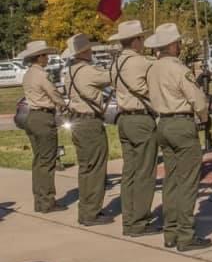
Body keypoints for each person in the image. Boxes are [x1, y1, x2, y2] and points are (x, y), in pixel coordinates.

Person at [145, 23, 212, 252]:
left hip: (162, 123)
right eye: (178, 42)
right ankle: (186, 234)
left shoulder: (152, 68)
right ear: (172, 45)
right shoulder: (178, 68)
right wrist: (204, 117)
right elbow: (197, 99)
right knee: (187, 181)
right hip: (181, 123)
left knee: (171, 180)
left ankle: (170, 230)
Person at [108, 20, 160, 237]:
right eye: (141, 38)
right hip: (141, 118)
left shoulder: (115, 63)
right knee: (145, 172)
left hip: (124, 119)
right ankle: (139, 220)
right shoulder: (142, 63)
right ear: (136, 41)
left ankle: (129, 219)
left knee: (129, 172)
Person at [64, 34, 113, 226]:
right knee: (96, 167)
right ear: (84, 52)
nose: (91, 52)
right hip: (90, 122)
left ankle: (86, 209)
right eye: (89, 49)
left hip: (78, 121)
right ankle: (91, 212)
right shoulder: (88, 71)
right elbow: (112, 77)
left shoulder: (71, 71)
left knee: (86, 168)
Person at [19, 40, 67, 213]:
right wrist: (63, 104)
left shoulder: (28, 74)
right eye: (45, 55)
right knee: (47, 161)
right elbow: (53, 93)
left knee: (38, 161)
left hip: (32, 116)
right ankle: (47, 201)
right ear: (39, 57)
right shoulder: (41, 75)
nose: (47, 58)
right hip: (43, 117)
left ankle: (39, 199)